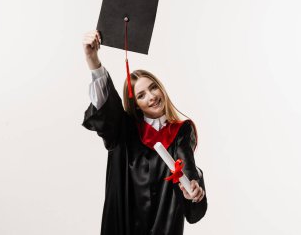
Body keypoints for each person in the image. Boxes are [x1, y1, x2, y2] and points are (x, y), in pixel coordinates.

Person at [82, 30, 208, 235]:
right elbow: (107, 110)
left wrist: (194, 189)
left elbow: (188, 171)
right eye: (141, 95)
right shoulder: (123, 131)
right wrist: (92, 60)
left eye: (153, 88)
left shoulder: (180, 132)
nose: (151, 97)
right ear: (136, 104)